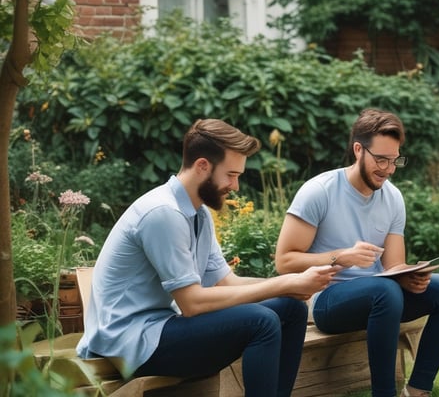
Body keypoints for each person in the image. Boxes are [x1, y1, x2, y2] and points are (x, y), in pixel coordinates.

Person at [76, 119, 338, 397]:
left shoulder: (198, 212)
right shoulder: (163, 214)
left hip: (160, 328)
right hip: (129, 343)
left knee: (290, 309)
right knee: (260, 321)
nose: (235, 186)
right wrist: (283, 284)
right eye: (231, 175)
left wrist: (294, 281)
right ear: (202, 166)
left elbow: (226, 282)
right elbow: (192, 304)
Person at [275, 108, 439, 397]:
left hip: (381, 298)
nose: (388, 169)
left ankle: (417, 390)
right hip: (326, 300)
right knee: (383, 291)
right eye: (381, 160)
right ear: (358, 149)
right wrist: (341, 256)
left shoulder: (393, 197)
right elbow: (284, 261)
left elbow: (393, 266)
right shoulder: (319, 191)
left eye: (395, 160)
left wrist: (409, 276)